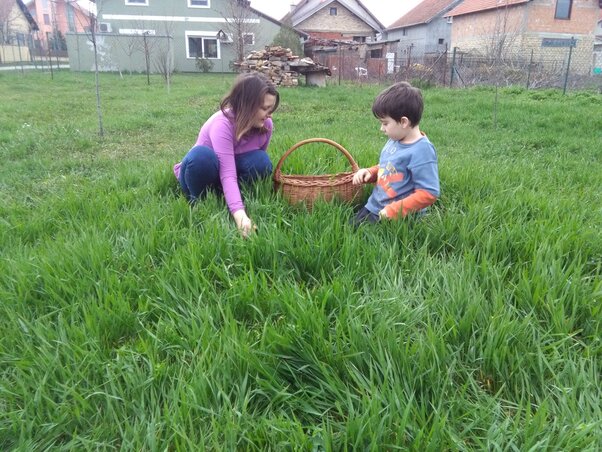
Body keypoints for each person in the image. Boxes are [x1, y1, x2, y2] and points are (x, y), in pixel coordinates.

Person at [173, 72, 280, 236]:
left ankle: (224, 197)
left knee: (261, 161)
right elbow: (228, 173)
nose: (269, 114)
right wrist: (241, 217)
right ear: (247, 105)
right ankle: (200, 202)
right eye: (265, 108)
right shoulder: (222, 124)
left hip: (226, 176)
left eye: (271, 109)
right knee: (202, 157)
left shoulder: (266, 125)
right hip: (200, 173)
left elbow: (255, 167)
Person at [351, 81, 440, 225]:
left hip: (399, 218)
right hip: (375, 207)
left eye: (385, 123)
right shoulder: (396, 139)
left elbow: (429, 193)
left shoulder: (422, 151)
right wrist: (371, 172)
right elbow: (390, 166)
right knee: (348, 232)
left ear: (404, 122)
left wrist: (394, 211)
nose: (382, 128)